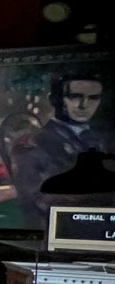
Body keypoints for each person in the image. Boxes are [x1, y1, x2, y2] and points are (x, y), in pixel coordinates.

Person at [8, 73, 113, 229]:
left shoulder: (100, 140)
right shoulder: (35, 144)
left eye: (93, 98)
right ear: (56, 100)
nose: (84, 105)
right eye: (75, 96)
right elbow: (33, 203)